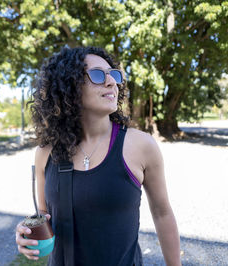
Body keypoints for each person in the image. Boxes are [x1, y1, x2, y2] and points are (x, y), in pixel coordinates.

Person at [15, 46, 181, 266]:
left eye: (114, 74)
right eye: (97, 75)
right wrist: (27, 230)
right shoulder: (46, 153)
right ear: (70, 86)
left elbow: (162, 213)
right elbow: (45, 215)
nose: (112, 82)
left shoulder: (140, 145)